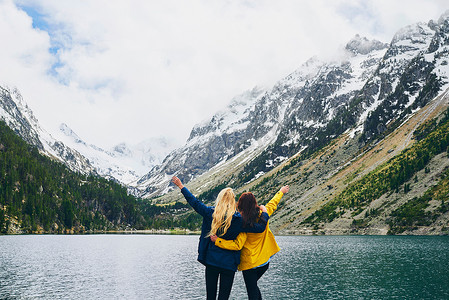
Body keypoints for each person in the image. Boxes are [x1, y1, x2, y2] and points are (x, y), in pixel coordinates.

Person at [171, 176, 270, 300]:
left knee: (210, 297)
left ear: (220, 199)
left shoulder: (210, 213)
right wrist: (265, 213)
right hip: (229, 264)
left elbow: (194, 202)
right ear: (233, 201)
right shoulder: (239, 220)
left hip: (212, 261)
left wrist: (181, 186)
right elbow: (260, 228)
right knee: (223, 297)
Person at [211, 185, 289, 300]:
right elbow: (273, 203)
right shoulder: (263, 215)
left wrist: (218, 241)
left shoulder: (242, 224)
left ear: (240, 206)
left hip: (250, 264)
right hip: (264, 262)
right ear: (255, 204)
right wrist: (281, 192)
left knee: (251, 291)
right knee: (254, 288)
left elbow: (237, 245)